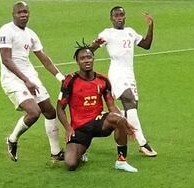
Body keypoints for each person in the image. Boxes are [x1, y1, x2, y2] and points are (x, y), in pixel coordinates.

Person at [0, 1, 64, 162]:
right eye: (20, 12)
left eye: (26, 12)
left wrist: (60, 77)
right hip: (13, 79)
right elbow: (6, 60)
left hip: (30, 77)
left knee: (49, 111)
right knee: (34, 112)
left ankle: (55, 152)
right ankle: (12, 139)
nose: (23, 15)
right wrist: (26, 80)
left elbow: (44, 59)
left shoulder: (30, 34)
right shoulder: (6, 31)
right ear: (13, 14)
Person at [57, 45, 137, 173]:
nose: (86, 60)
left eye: (89, 57)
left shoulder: (103, 80)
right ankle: (81, 153)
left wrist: (122, 121)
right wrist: (68, 128)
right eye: (82, 58)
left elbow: (111, 105)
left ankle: (121, 161)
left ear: (93, 59)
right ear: (77, 62)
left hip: (98, 121)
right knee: (71, 164)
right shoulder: (70, 81)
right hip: (79, 127)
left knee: (119, 119)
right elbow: (60, 108)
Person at [90, 6, 157, 158]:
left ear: (125, 17)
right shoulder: (107, 33)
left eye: (121, 15)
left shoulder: (130, 32)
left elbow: (146, 45)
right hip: (116, 73)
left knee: (131, 109)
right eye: (116, 15)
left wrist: (150, 26)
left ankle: (109, 116)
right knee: (130, 101)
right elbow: (91, 49)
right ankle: (143, 143)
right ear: (111, 18)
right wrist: (90, 49)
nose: (119, 17)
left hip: (129, 75)